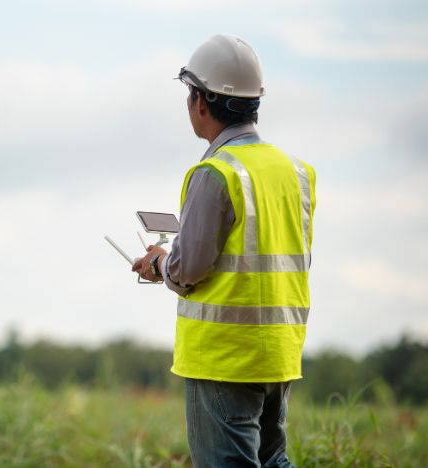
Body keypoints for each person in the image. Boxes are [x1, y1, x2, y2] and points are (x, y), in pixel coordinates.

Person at [132, 34, 316, 468]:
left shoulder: (215, 172)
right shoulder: (298, 173)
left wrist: (159, 262)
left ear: (201, 101)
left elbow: (189, 268)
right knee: (273, 461)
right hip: (280, 351)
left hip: (224, 359)